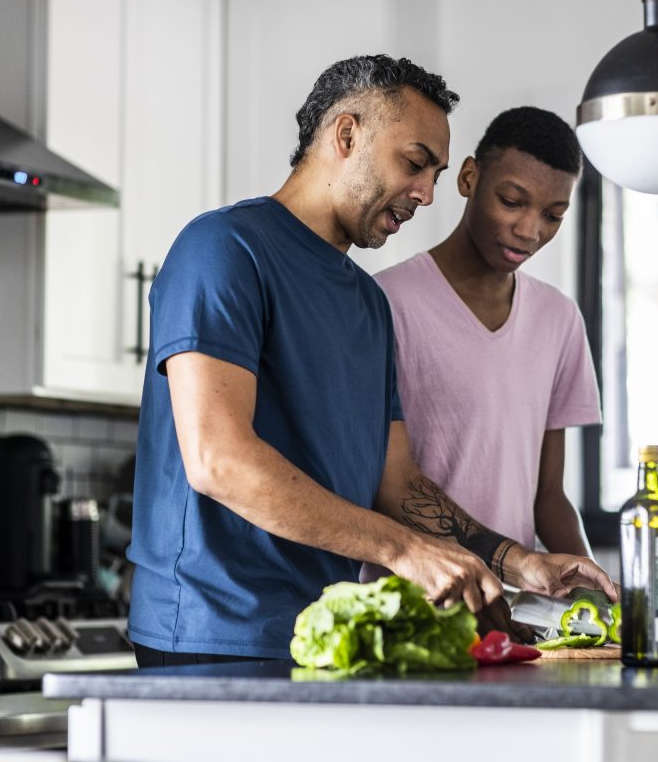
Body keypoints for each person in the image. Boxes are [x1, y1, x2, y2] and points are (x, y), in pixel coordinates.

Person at [126, 56, 615, 668]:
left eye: (435, 173)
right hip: (209, 637)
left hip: (330, 636)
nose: (427, 193)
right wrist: (405, 552)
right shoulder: (224, 249)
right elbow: (218, 460)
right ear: (347, 135)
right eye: (414, 164)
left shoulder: (366, 302)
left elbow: (399, 483)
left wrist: (517, 561)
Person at [373, 106, 600, 560]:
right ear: (469, 178)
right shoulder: (384, 302)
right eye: (512, 201)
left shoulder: (559, 319)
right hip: (413, 608)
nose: (529, 230)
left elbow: (548, 499)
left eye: (553, 215)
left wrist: (600, 597)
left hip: (516, 611)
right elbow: (383, 483)